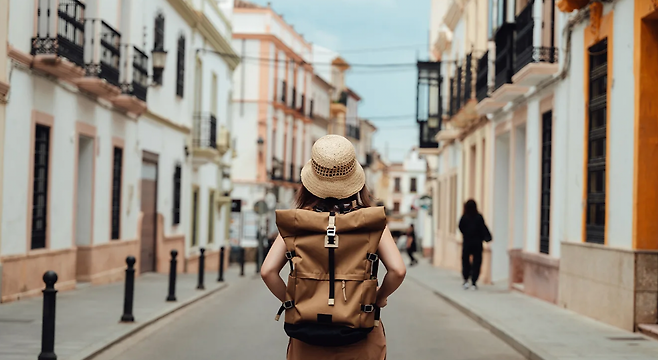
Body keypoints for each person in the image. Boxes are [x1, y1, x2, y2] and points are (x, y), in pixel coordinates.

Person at [261, 135, 406, 360]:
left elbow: (268, 271)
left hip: (307, 340)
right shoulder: (370, 222)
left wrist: (294, 303)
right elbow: (397, 270)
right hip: (361, 334)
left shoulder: (298, 223)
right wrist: (376, 298)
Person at [458, 199, 491, 290]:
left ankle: (465, 279)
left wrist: (466, 234)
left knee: (465, 261)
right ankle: (474, 281)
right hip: (477, 243)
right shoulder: (478, 217)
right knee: (477, 261)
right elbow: (483, 227)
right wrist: (486, 237)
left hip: (467, 242)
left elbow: (460, 227)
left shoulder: (464, 217)